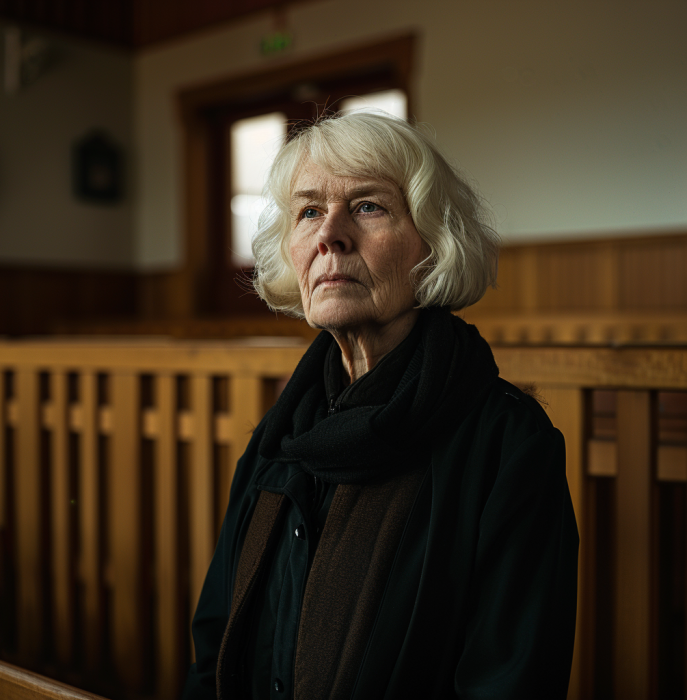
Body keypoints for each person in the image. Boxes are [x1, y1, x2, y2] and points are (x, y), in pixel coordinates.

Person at [182, 111, 578, 700]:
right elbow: (213, 654)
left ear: (433, 244)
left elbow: (508, 682)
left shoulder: (509, 444)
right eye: (309, 211)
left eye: (369, 206)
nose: (330, 235)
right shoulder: (280, 435)